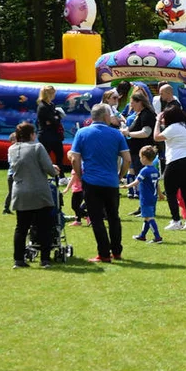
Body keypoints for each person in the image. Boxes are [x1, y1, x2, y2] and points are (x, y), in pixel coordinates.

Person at [71, 103, 130, 263]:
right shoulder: (116, 134)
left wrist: (79, 174)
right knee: (113, 218)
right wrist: (120, 176)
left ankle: (104, 254)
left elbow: (75, 158)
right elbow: (127, 159)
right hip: (111, 182)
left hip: (91, 181)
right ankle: (116, 251)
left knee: (96, 219)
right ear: (105, 117)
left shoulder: (82, 133)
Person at [8, 122, 59, 268]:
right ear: (32, 134)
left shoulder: (12, 149)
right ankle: (45, 259)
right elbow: (48, 168)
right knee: (44, 226)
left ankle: (18, 259)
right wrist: (54, 170)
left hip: (20, 192)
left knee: (21, 227)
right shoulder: (37, 147)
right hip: (38, 191)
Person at [155, 103, 186, 231]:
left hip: (176, 160)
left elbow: (156, 137)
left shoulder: (173, 127)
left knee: (170, 192)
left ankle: (176, 220)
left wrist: (157, 122)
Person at [123, 89, 157, 213]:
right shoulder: (140, 114)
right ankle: (143, 207)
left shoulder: (146, 114)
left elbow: (146, 132)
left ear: (140, 102)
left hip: (142, 153)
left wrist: (128, 133)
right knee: (142, 181)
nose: (131, 105)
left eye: (133, 103)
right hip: (137, 152)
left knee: (144, 181)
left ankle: (146, 207)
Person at [126, 145, 163, 243]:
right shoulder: (155, 170)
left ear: (145, 158)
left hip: (146, 198)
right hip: (153, 197)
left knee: (149, 217)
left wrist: (126, 186)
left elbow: (136, 182)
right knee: (147, 217)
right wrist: (160, 194)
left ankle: (157, 237)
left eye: (140, 157)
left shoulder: (144, 170)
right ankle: (142, 235)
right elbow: (157, 184)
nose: (140, 159)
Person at [35, 85, 65, 167]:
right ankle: (42, 175)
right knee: (45, 156)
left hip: (55, 135)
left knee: (60, 155)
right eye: (53, 93)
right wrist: (54, 119)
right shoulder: (42, 107)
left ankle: (61, 176)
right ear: (50, 94)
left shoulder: (51, 105)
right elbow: (53, 120)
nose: (54, 95)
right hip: (46, 135)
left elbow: (55, 119)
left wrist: (55, 118)